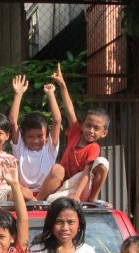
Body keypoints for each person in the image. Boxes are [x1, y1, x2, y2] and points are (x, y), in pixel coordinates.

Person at [36, 64, 110, 202]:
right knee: (58, 169)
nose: (91, 131)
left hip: (80, 186)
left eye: (96, 128)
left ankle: (93, 200)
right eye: (88, 126)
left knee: (102, 163)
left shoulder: (94, 147)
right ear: (82, 125)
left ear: (104, 133)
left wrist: (77, 194)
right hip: (65, 186)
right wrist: (62, 85)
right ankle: (38, 201)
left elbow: (87, 173)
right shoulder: (77, 133)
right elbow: (69, 109)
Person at [7, 74, 62, 201]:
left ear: (47, 136)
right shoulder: (20, 148)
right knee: (13, 188)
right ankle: (35, 202)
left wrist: (51, 94)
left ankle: (37, 202)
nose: (36, 140)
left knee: (59, 169)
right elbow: (12, 121)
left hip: (46, 193)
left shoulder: (49, 148)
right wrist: (18, 94)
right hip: (24, 194)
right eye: (31, 137)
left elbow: (57, 120)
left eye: (39, 136)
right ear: (24, 137)